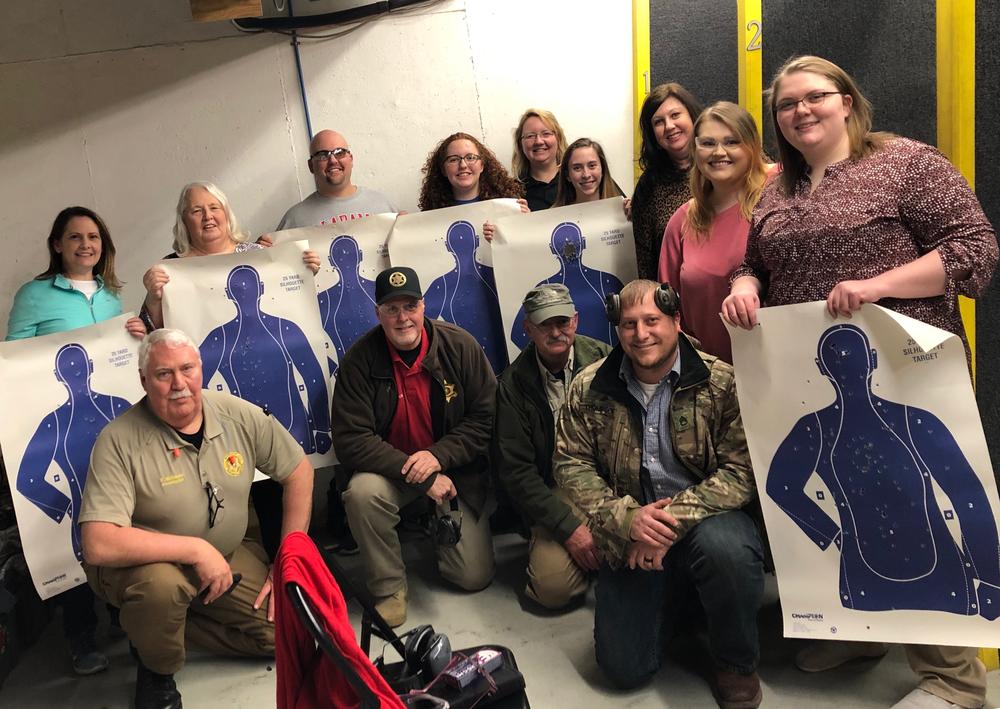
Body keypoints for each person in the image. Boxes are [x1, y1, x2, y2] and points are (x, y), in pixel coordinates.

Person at [722, 55, 998, 709]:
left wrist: (878, 287)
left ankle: (955, 678)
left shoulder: (905, 162)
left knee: (913, 508)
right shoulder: (778, 191)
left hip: (906, 372)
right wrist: (744, 282)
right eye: (786, 104)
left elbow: (976, 247)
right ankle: (858, 631)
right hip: (806, 383)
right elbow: (751, 257)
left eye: (813, 97)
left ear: (846, 101)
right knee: (848, 509)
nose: (799, 111)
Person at [554, 279, 764, 708]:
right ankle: (681, 604)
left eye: (652, 320)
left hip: (707, 521)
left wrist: (665, 524)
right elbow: (569, 464)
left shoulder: (721, 382)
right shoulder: (589, 386)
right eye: (629, 324)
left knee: (728, 551)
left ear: (675, 320)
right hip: (630, 532)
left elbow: (742, 471)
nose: (641, 333)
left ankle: (736, 663)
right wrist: (628, 522)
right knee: (624, 670)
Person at [80, 328, 314, 709]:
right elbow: (98, 543)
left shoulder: (235, 413)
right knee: (161, 589)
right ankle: (157, 668)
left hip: (225, 554)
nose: (179, 384)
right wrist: (194, 549)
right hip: (148, 566)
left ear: (201, 369)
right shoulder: (118, 439)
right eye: (163, 374)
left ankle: (156, 627)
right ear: (143, 380)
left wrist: (288, 559)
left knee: (287, 635)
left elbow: (298, 471)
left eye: (187, 369)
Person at [5, 206, 145, 676]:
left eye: (94, 237)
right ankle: (80, 636)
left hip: (111, 443)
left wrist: (137, 332)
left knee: (129, 527)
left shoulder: (111, 296)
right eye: (75, 237)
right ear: (57, 245)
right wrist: (57, 503)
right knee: (77, 549)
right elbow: (13, 363)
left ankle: (126, 619)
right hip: (66, 450)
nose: (86, 245)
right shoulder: (35, 295)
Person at [331, 266, 496, 628]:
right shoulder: (359, 361)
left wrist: (438, 457)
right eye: (392, 309)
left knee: (472, 578)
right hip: (393, 472)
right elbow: (350, 439)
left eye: (410, 306)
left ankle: (441, 535)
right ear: (378, 313)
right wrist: (418, 474)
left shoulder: (460, 346)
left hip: (453, 472)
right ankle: (389, 588)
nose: (402, 317)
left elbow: (485, 419)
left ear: (424, 306)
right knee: (362, 493)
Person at [493, 284, 610, 609]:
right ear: (527, 329)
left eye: (562, 322)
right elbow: (517, 473)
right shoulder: (513, 385)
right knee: (552, 590)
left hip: (614, 482)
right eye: (545, 324)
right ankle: (583, 551)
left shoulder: (606, 360)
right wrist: (568, 528)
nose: (556, 332)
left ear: (576, 320)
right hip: (559, 489)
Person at [658, 101, 771, 364]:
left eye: (732, 142)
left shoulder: (778, 195)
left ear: (752, 145)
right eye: (707, 143)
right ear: (695, 149)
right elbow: (669, 309)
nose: (719, 152)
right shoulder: (683, 220)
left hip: (780, 370)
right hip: (713, 379)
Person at [141, 181, 320, 331]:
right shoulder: (170, 269)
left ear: (226, 214)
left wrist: (303, 272)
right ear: (184, 221)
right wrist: (153, 299)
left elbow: (292, 308)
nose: (207, 216)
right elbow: (153, 336)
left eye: (214, 207)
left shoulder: (259, 255)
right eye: (196, 211)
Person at [631, 83, 703, 280]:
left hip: (741, 293)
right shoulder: (649, 186)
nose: (669, 126)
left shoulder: (724, 161)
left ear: (692, 115)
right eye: (658, 122)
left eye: (675, 115)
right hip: (676, 299)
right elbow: (642, 258)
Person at [275, 129, 397, 230]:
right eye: (322, 155)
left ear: (351, 159)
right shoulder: (294, 220)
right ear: (311, 166)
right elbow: (273, 257)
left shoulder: (383, 206)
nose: (333, 160)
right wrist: (262, 250)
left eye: (340, 152)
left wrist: (408, 230)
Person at [511, 109, 569, 211]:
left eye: (546, 133)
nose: (538, 141)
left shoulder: (575, 181)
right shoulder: (512, 192)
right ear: (520, 144)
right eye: (530, 136)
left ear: (558, 138)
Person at [552, 138, 624, 207]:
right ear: (567, 175)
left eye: (592, 165)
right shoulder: (554, 216)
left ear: (603, 169)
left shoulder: (624, 210)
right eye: (577, 168)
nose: (586, 175)